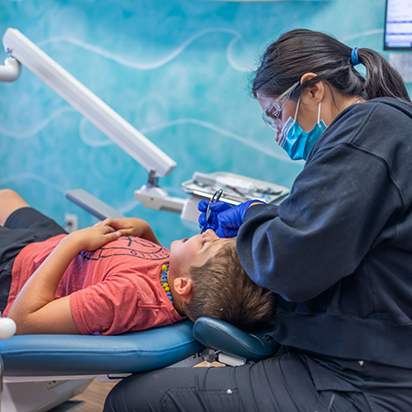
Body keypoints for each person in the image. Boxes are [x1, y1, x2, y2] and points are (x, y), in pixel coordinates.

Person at [104, 29, 412, 411]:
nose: (279, 133)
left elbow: (290, 263)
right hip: (362, 360)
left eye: (275, 114)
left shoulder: (367, 132)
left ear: (313, 89)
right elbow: (325, 232)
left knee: (131, 400)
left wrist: (252, 216)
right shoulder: (375, 133)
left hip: (363, 381)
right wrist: (263, 217)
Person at [0, 189, 276, 336]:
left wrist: (73, 243)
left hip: (17, 272)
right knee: (6, 197)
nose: (208, 232)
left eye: (206, 244)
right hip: (46, 246)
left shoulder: (125, 298)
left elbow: (22, 321)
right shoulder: (173, 282)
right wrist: (144, 229)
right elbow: (156, 271)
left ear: (183, 285)